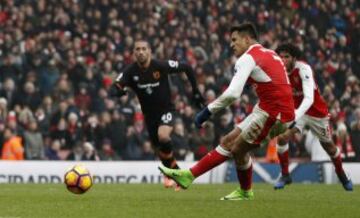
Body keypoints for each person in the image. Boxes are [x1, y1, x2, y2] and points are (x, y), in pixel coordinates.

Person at [159, 22, 295, 200]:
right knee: (228, 140)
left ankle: (242, 191)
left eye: (234, 40)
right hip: (269, 108)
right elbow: (274, 80)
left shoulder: (248, 58)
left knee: (237, 149)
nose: (231, 44)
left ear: (247, 39)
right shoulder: (270, 53)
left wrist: (207, 112)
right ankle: (190, 176)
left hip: (274, 113)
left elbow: (233, 93)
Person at [111, 39, 204, 189]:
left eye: (143, 49)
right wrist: (118, 91)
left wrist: (195, 92)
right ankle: (175, 173)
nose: (140, 52)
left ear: (149, 51)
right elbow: (115, 86)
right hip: (149, 116)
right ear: (134, 53)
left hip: (166, 109)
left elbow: (186, 67)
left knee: (163, 136)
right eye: (137, 49)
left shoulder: (160, 66)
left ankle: (172, 173)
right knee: (160, 150)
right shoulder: (130, 71)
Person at [273, 43, 353, 191]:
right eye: (280, 56)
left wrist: (295, 115)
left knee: (328, 146)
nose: (282, 59)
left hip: (316, 113)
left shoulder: (304, 69)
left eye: (286, 57)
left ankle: (341, 173)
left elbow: (309, 98)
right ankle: (285, 175)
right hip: (298, 113)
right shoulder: (278, 72)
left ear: (294, 58)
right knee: (282, 137)